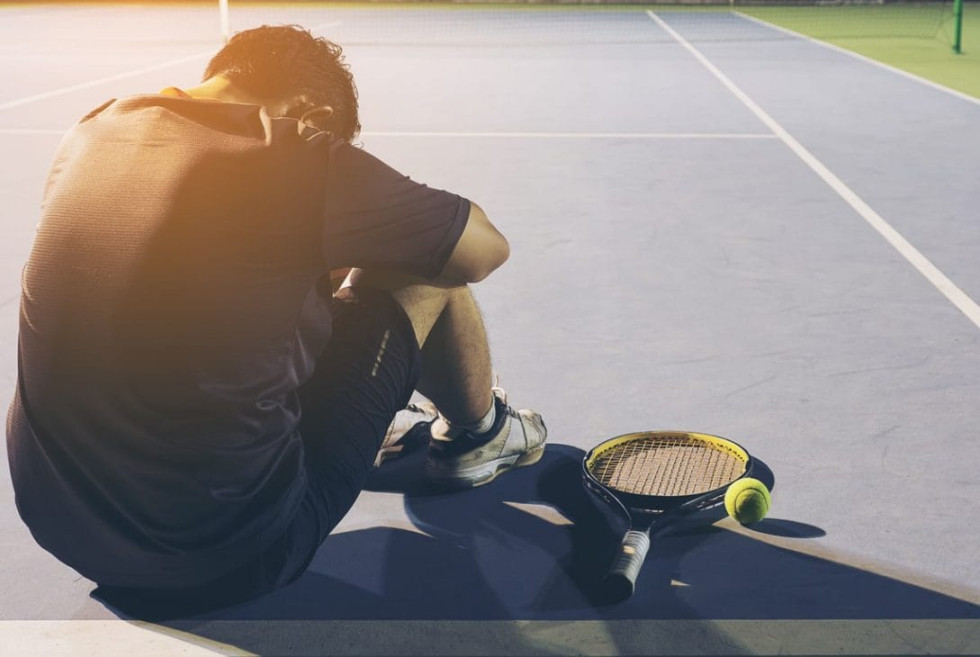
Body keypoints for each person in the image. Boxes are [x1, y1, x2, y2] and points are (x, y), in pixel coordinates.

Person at [5, 24, 546, 616]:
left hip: (69, 532)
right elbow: (484, 250)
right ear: (308, 110)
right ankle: (482, 435)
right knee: (422, 273)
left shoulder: (96, 128)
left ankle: (327, 413)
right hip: (233, 554)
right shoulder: (291, 152)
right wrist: (361, 219)